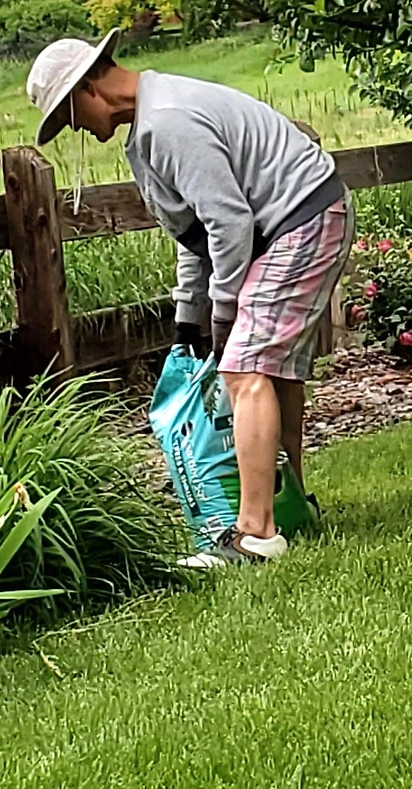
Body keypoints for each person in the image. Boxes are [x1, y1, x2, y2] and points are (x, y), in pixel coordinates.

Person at [26, 32, 353, 566]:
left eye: (69, 116)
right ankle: (291, 508)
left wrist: (222, 312)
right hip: (288, 225)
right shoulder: (147, 132)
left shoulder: (167, 122)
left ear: (88, 89)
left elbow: (229, 221)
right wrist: (187, 323)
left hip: (304, 218)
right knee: (271, 369)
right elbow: (195, 234)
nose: (76, 129)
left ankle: (256, 534)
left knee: (245, 367)